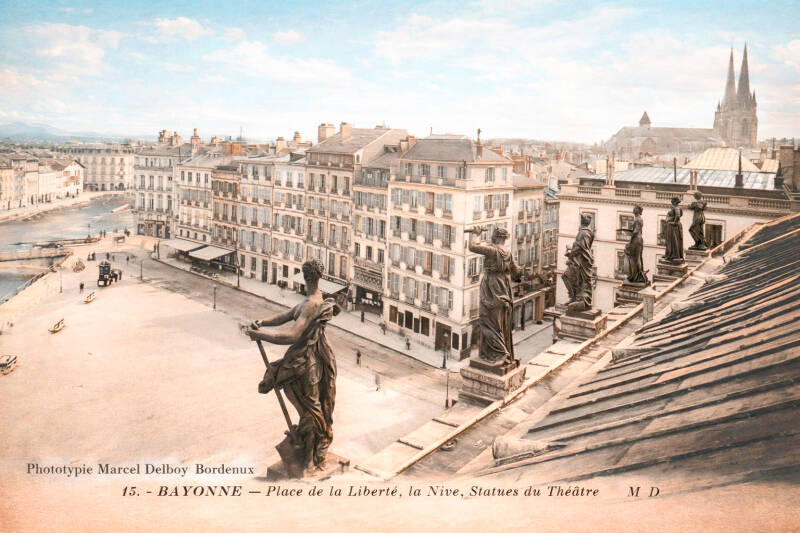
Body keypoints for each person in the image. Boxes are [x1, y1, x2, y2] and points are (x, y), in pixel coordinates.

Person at [247, 259, 339, 474]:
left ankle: (309, 459)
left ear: (305, 277)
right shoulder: (315, 298)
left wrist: (258, 335)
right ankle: (310, 453)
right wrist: (263, 322)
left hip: (307, 362)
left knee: (310, 410)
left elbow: (291, 336)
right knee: (310, 408)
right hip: (309, 356)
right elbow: (287, 316)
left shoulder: (311, 304)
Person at [467, 225, 521, 365]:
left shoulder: (492, 251)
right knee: (500, 323)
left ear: (496, 237)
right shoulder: (508, 253)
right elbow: (516, 274)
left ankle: (501, 353)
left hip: (491, 288)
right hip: (504, 288)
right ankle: (492, 354)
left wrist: (475, 233)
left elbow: (472, 247)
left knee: (487, 322)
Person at [562, 213, 595, 312]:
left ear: (582, 221)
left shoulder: (583, 233)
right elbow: (582, 246)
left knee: (572, 278)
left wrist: (570, 253)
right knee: (574, 278)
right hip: (581, 259)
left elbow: (580, 247)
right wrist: (572, 250)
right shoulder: (588, 232)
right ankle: (575, 297)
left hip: (581, 261)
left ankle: (582, 300)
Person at [621, 205, 648, 284]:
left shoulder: (638, 219)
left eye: (635, 208)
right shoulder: (638, 219)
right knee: (637, 258)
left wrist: (630, 241)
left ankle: (635, 276)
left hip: (636, 240)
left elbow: (636, 231)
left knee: (634, 258)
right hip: (639, 240)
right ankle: (638, 275)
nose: (633, 209)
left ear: (638, 210)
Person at [664, 197, 685, 263]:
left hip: (673, 227)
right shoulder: (677, 207)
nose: (671, 200)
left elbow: (678, 215)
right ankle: (670, 254)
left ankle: (672, 255)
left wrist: (674, 222)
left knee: (673, 240)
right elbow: (680, 214)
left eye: (672, 200)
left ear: (675, 201)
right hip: (674, 226)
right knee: (673, 240)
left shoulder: (676, 207)